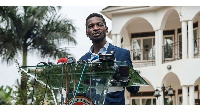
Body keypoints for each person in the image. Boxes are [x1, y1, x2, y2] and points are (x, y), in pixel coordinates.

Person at [79, 13, 140, 105]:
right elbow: (80, 93)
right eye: (91, 26)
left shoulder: (121, 54)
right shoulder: (83, 60)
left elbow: (134, 89)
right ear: (87, 33)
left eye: (99, 25)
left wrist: (118, 72)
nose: (95, 28)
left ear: (106, 29)